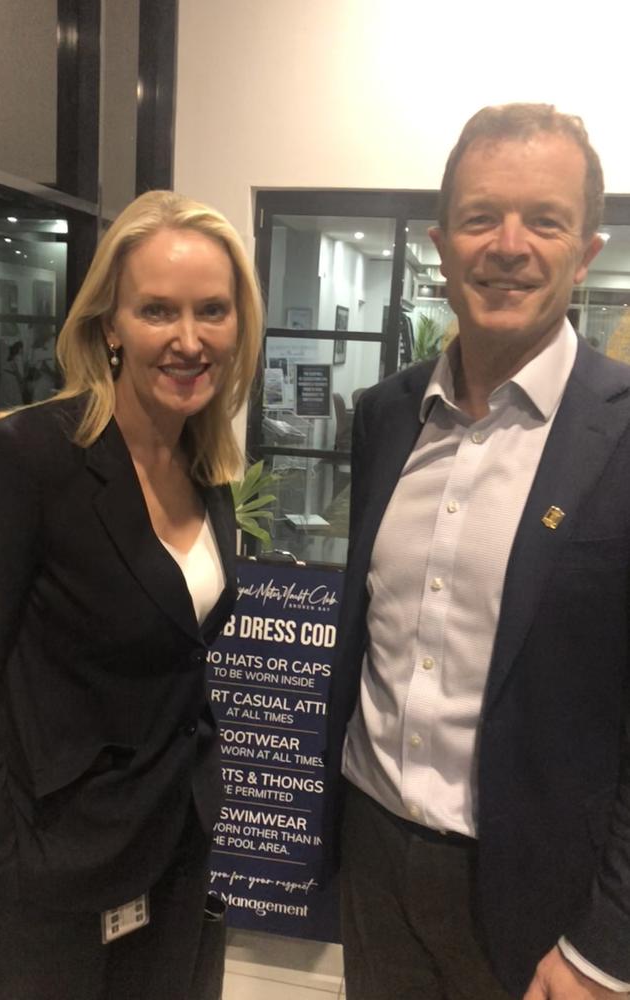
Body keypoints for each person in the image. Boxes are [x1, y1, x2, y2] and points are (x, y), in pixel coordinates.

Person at [323, 103, 630, 1000]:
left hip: (544, 903)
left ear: (586, 251)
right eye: (480, 217)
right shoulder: (385, 416)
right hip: (374, 859)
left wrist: (607, 945)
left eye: (544, 220)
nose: (508, 244)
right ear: (440, 244)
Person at [0, 189, 263, 999]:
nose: (187, 339)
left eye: (212, 310)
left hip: (176, 845)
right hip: (54, 869)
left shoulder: (204, 464)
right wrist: (4, 858)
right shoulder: (29, 457)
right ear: (110, 325)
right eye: (156, 311)